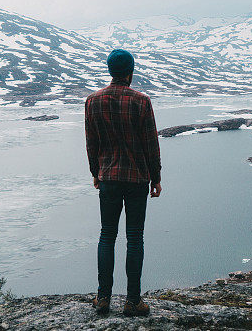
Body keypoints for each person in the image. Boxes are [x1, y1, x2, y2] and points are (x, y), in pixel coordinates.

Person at [84, 49, 162, 317]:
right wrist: (157, 177)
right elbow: (151, 143)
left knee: (107, 236)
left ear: (110, 71)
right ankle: (133, 301)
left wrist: (96, 172)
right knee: (135, 238)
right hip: (137, 178)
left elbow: (91, 143)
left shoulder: (92, 101)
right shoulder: (142, 101)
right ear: (130, 72)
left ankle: (103, 298)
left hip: (108, 178)